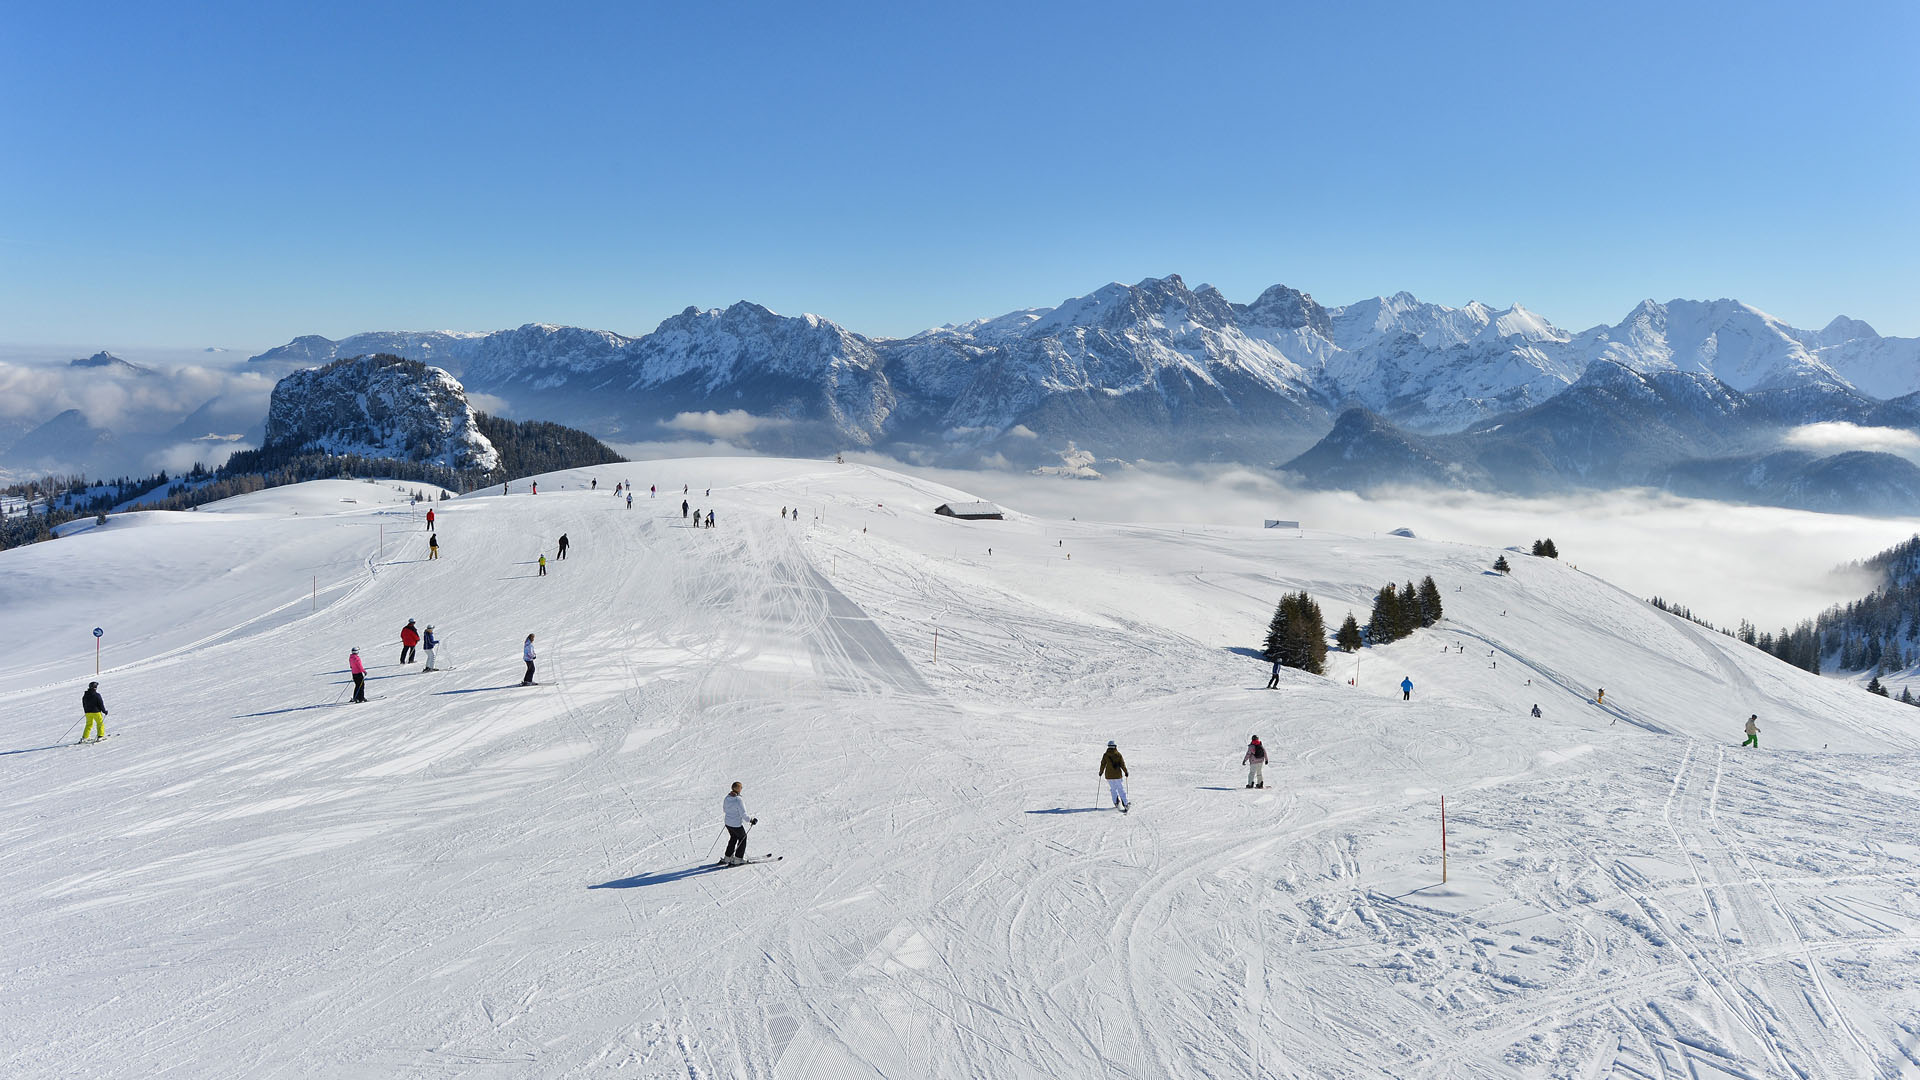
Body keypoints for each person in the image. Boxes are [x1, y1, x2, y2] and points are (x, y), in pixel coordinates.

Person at [720, 781, 756, 865]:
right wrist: (751, 820)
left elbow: (724, 810)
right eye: (741, 787)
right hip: (736, 824)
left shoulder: (727, 797)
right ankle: (738, 859)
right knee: (743, 838)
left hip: (728, 823)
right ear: (737, 789)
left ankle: (727, 857)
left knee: (733, 838)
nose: (741, 789)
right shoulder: (738, 800)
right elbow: (743, 814)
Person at [1098, 740, 1129, 811]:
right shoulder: (1118, 755)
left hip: (1109, 776)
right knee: (1120, 788)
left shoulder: (1105, 755)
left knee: (1113, 789)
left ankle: (1116, 802)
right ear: (1115, 746)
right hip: (1117, 775)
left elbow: (1103, 764)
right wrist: (1126, 772)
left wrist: (1101, 772)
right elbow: (1122, 764)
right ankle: (1125, 803)